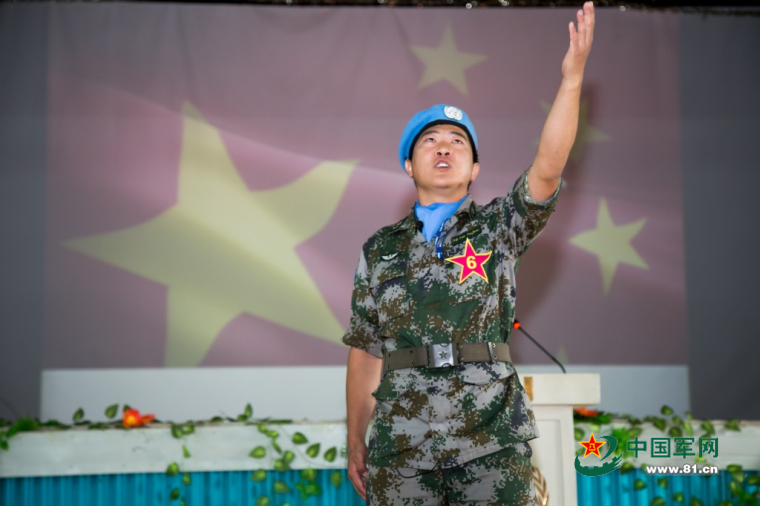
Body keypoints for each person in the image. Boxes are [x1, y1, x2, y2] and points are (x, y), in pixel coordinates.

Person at [342, 3, 595, 504]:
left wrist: (571, 80)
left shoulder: (500, 226)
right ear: (408, 166)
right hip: (402, 448)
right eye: (429, 141)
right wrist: (355, 437)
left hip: (490, 441)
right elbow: (366, 349)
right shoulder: (380, 249)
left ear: (475, 169)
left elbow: (547, 168)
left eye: (457, 141)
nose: (443, 147)